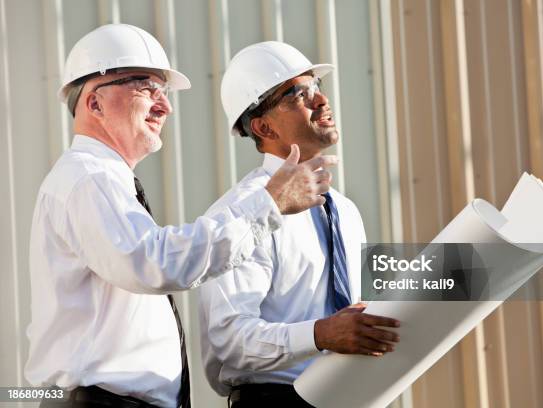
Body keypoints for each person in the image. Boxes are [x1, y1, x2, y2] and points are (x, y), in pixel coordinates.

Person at [25, 25, 336, 408]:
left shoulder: (104, 181)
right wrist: (267, 207)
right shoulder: (88, 178)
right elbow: (153, 264)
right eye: (146, 87)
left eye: (164, 91)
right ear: (94, 104)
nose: (165, 105)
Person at [198, 41, 401, 407]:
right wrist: (321, 334)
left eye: (317, 88)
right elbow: (229, 341)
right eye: (299, 94)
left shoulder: (346, 212)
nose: (321, 101)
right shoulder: (240, 214)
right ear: (263, 127)